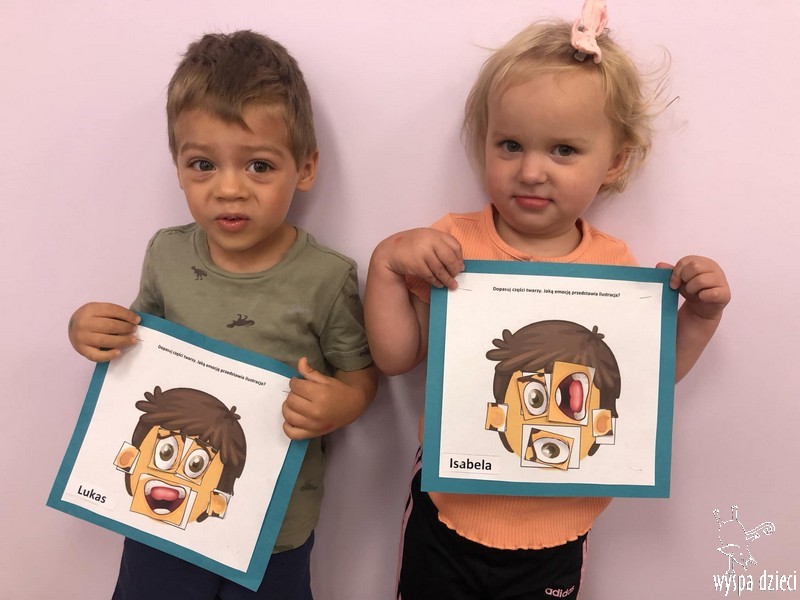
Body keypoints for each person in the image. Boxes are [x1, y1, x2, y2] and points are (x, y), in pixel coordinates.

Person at [364, 3, 730, 598]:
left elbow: (648, 382)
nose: (531, 171)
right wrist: (386, 265)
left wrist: (701, 317)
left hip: (558, 532)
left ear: (614, 161)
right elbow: (396, 356)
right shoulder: (451, 244)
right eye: (510, 145)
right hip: (447, 514)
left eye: (563, 150)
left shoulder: (615, 268)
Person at [67, 30, 377, 600]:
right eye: (203, 164)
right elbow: (133, 347)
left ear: (305, 168)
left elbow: (360, 377)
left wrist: (341, 403)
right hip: (158, 514)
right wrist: (89, 331)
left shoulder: (327, 277)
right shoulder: (165, 254)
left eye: (259, 165)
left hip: (273, 525)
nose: (229, 189)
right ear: (178, 166)